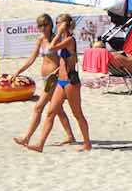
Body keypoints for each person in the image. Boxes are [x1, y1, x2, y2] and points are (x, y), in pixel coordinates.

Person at [27, 14, 91, 152]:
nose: (56, 25)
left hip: (70, 82)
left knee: (77, 114)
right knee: (51, 112)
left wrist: (61, 31)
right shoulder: (63, 38)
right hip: (60, 82)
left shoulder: (69, 40)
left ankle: (87, 143)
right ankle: (40, 144)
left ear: (65, 24)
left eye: (58, 22)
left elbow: (51, 47)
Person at [13, 14, 76, 148]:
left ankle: (27, 138)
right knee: (58, 109)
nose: (43, 28)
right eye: (40, 25)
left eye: (45, 25)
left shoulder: (57, 39)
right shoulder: (41, 39)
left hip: (54, 78)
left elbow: (66, 59)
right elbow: (32, 58)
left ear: (51, 25)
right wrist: (18, 71)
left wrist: (58, 71)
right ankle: (70, 136)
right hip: (45, 78)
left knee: (38, 107)